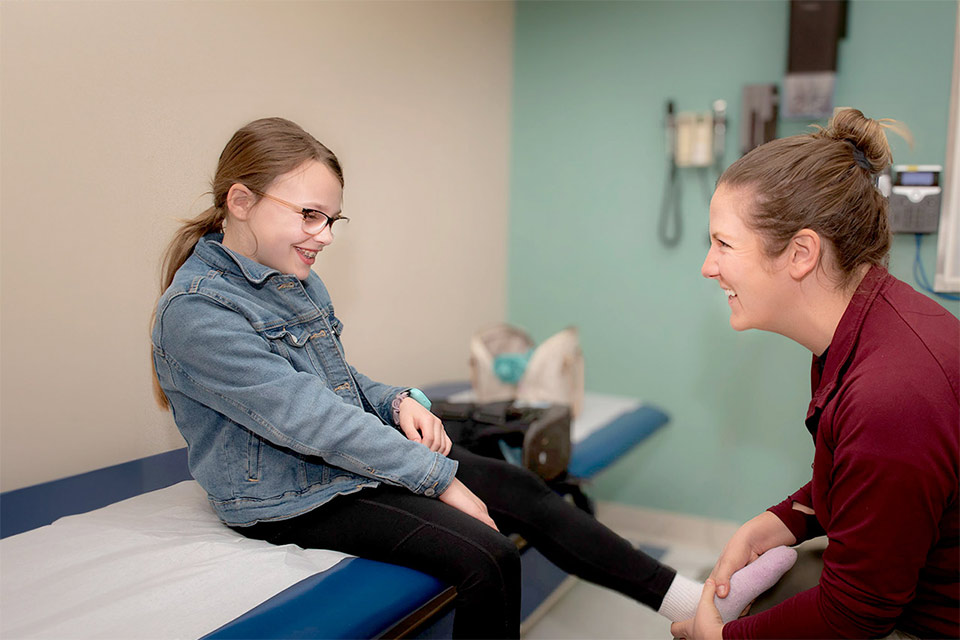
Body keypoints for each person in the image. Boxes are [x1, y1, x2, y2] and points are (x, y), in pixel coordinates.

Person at [151, 117, 793, 639]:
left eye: (331, 221)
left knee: (527, 489)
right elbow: (305, 417)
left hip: (331, 464)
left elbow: (333, 380)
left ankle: (692, 604)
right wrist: (440, 480)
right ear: (240, 201)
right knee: (488, 555)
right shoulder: (198, 314)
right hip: (287, 496)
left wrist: (396, 400)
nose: (323, 237)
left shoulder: (291, 276)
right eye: (310, 215)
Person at [672, 108, 959, 640]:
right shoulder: (871, 326)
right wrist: (790, 518)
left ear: (802, 252)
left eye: (724, 244)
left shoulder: (889, 394)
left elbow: (855, 616)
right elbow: (871, 483)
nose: (709, 267)